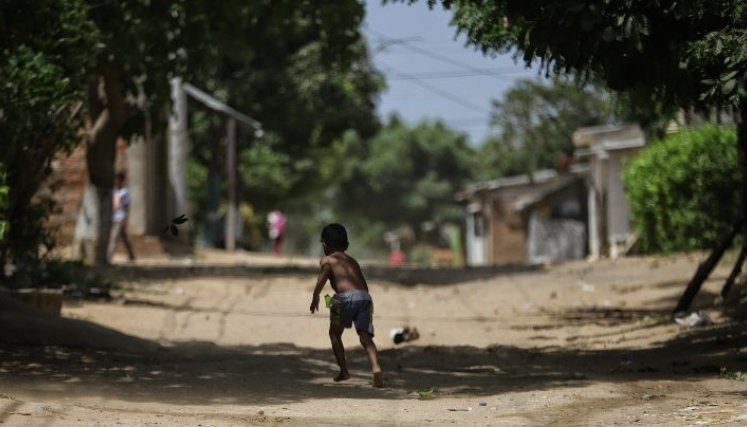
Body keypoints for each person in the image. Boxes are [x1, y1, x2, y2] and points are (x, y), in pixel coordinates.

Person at [309, 223, 383, 388]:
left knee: (334, 334)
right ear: (347, 245)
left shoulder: (328, 260)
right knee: (365, 337)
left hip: (343, 299)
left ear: (324, 245)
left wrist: (316, 295)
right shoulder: (353, 261)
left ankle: (344, 371)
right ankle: (376, 367)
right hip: (364, 298)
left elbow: (323, 275)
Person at [107, 171, 136, 263]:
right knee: (124, 237)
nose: (116, 182)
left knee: (114, 237)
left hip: (120, 217)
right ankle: (131, 255)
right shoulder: (113, 191)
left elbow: (127, 206)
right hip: (112, 216)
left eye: (118, 180)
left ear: (121, 181)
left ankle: (109, 257)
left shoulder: (124, 192)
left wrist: (126, 218)